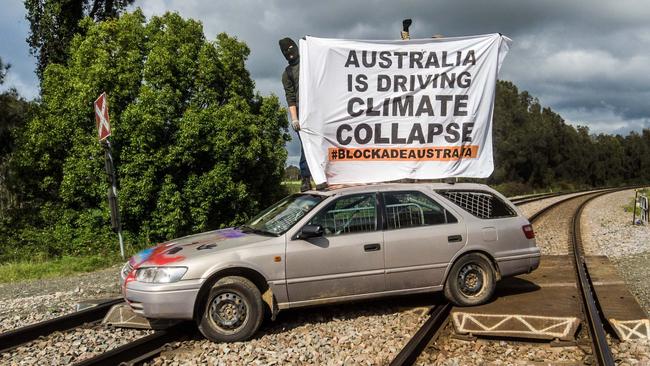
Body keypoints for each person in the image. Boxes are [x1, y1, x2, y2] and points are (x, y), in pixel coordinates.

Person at [279, 37, 312, 192]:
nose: (289, 52)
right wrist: (294, 119)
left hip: (317, 107)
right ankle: (306, 178)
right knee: (306, 145)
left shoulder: (309, 62)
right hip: (301, 112)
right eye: (285, 51)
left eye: (291, 48)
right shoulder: (287, 74)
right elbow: (290, 97)